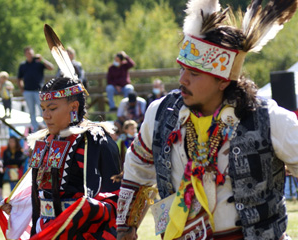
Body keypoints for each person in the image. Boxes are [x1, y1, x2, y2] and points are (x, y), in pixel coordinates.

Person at [116, 0, 298, 240]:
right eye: (182, 69)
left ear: (223, 81)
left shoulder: (268, 119)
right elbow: (137, 167)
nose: (182, 80)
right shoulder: (160, 113)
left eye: (194, 73)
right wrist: (126, 226)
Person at [0, 77, 121, 239]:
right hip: (45, 229)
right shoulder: (46, 140)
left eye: (52, 108)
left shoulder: (95, 140)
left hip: (82, 233)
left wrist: (84, 210)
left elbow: (113, 196)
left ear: (74, 107)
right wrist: (17, 206)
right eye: (43, 109)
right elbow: (43, 190)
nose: (45, 116)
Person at [17, 46, 54, 132]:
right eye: (28, 53)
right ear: (25, 54)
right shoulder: (23, 65)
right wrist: (22, 90)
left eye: (31, 53)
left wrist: (42, 60)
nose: (30, 55)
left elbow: (51, 67)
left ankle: (46, 126)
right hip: (28, 91)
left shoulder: (39, 62)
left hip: (39, 91)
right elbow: (19, 78)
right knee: (31, 111)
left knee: (43, 109)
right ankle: (35, 128)